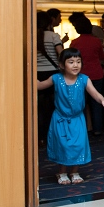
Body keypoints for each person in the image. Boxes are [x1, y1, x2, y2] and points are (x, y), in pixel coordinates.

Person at [36, 48, 104, 185]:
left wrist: (103, 100)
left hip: (77, 119)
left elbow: (95, 93)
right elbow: (40, 85)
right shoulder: (56, 78)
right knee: (63, 145)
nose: (75, 65)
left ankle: (75, 172)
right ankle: (62, 172)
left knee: (78, 144)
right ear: (61, 65)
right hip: (60, 119)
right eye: (71, 62)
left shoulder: (84, 79)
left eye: (78, 61)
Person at [68, 14, 104, 135]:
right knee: (97, 102)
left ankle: (83, 130)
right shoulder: (96, 41)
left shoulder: (74, 43)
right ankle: (98, 129)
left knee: (81, 104)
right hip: (96, 74)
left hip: (80, 76)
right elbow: (101, 56)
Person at [36, 11, 63, 144]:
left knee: (39, 108)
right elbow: (61, 54)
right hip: (53, 73)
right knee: (54, 107)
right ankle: (53, 136)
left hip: (37, 74)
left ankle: (40, 136)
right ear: (48, 22)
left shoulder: (32, 36)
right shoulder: (53, 36)